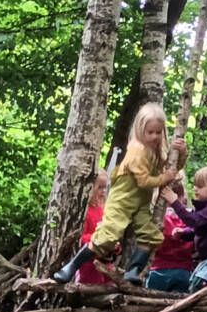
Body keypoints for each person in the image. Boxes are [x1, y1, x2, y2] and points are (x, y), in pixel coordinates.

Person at [53, 102, 186, 284]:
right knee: (108, 236)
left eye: (158, 132)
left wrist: (181, 153)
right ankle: (72, 266)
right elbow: (144, 181)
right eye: (150, 132)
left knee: (150, 235)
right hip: (122, 200)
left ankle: (133, 271)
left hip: (141, 202)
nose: (155, 136)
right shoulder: (137, 150)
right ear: (140, 130)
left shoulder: (157, 150)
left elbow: (172, 167)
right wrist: (165, 177)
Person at [145, 176, 194, 293]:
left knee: (153, 300)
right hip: (183, 271)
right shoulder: (190, 218)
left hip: (158, 270)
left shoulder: (157, 219)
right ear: (182, 196)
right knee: (181, 301)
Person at [75, 169, 111, 285]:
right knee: (89, 288)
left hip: (105, 261)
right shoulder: (86, 212)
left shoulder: (104, 209)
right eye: (100, 188)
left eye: (105, 187)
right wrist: (99, 238)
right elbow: (81, 238)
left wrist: (114, 244)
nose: (103, 191)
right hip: (88, 263)